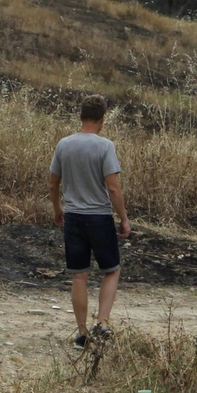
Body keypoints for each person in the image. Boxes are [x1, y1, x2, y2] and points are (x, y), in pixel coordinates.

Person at [49, 95, 130, 350]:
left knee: (79, 276)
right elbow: (114, 189)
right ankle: (103, 323)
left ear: (80, 116)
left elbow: (53, 182)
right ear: (102, 119)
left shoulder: (64, 144)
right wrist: (124, 217)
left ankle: (82, 332)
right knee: (111, 269)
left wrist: (57, 208)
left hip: (73, 216)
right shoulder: (105, 146)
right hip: (98, 217)